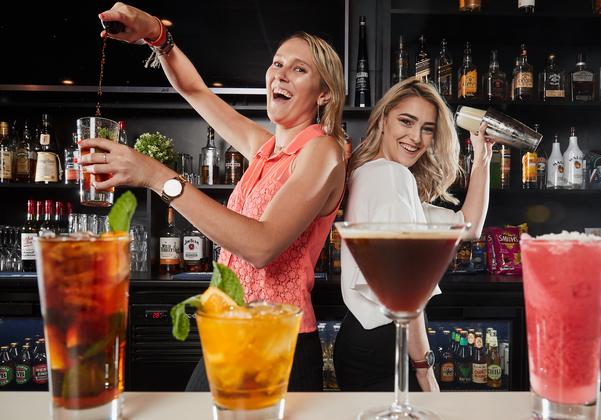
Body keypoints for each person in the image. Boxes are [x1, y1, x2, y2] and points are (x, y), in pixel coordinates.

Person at [80, 2, 347, 391]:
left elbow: (262, 245)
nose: (280, 74)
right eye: (277, 63)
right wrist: (157, 35)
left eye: (299, 69)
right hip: (230, 332)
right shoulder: (265, 149)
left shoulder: (323, 151)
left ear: (324, 94)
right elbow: (195, 90)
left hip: (276, 344)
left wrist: (157, 176)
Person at [333, 77, 492, 392]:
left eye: (428, 128)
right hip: (388, 345)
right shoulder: (391, 178)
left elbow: (469, 226)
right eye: (406, 122)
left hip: (364, 340)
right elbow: (406, 289)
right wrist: (424, 369)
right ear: (383, 121)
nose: (416, 137)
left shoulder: (369, 175)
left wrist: (482, 156)